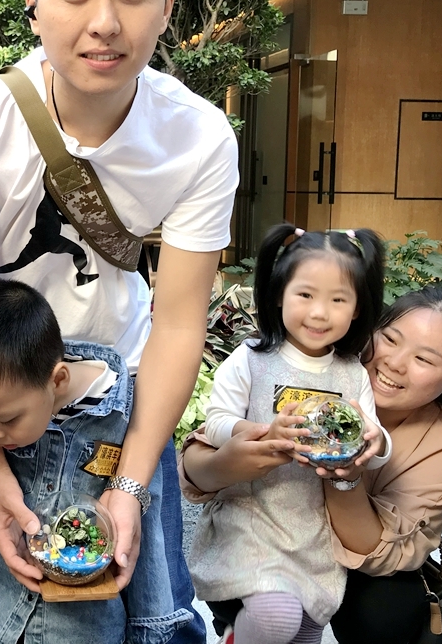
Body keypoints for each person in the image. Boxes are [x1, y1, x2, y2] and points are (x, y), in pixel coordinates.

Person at [0, 0, 239, 641]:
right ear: (33, 4)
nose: (104, 21)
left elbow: (179, 323)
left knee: (152, 620)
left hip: (121, 406)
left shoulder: (199, 138)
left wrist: (130, 484)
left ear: (168, 4)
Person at [181, 285, 442, 644]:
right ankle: (242, 625)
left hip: (351, 562)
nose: (395, 362)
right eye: (390, 339)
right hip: (265, 534)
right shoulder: (317, 368)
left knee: (386, 609)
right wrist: (234, 461)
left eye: (424, 359)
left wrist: (345, 476)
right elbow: (196, 463)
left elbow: (379, 554)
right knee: (261, 589)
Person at [0, 279, 174, 642]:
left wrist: (149, 618)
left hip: (82, 628)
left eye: (6, 420)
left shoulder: (124, 417)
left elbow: (144, 519)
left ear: (58, 380)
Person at [189, 224, 391, 644]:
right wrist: (261, 432)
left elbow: (375, 441)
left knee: (306, 629)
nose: (319, 313)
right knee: (277, 616)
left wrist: (374, 441)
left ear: (357, 308)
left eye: (338, 299)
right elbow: (216, 422)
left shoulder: (352, 373)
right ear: (279, 293)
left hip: (313, 529)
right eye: (306, 295)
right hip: (251, 519)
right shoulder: (251, 359)